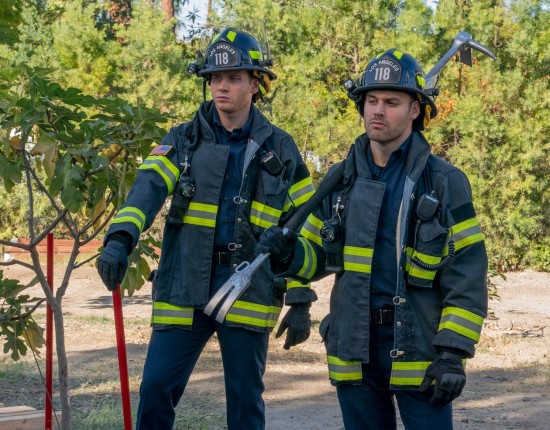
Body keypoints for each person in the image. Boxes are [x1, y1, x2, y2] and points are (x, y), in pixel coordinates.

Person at [97, 26, 316, 430]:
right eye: (215, 78)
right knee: (156, 387)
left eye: (233, 77)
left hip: (249, 289)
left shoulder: (281, 148)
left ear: (255, 84)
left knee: (245, 402)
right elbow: (147, 188)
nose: (222, 86)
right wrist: (120, 238)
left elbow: (303, 225)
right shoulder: (182, 140)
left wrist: (300, 297)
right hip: (184, 285)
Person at [258, 49, 488, 429]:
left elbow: (467, 273)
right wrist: (289, 256)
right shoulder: (340, 179)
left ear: (415, 110)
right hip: (355, 347)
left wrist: (452, 351)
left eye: (391, 102)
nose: (378, 111)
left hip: (420, 350)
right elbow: (315, 256)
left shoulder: (444, 182)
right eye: (372, 101)